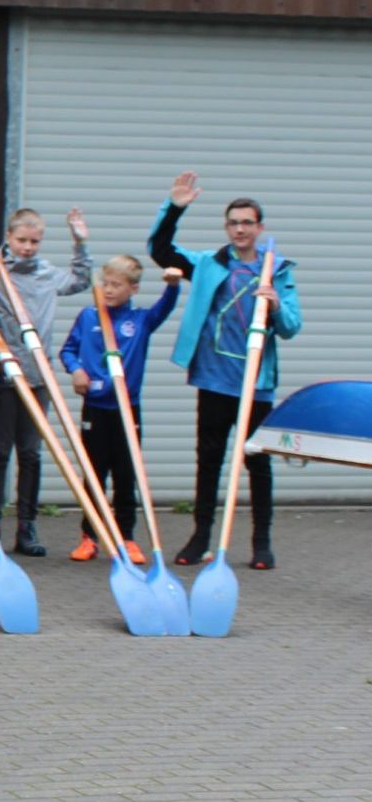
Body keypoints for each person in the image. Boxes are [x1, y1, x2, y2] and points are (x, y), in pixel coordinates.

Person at [149, 173, 300, 569]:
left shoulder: (277, 270)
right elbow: (160, 251)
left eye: (247, 222)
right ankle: (200, 537)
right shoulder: (209, 264)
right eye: (233, 222)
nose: (239, 229)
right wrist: (174, 208)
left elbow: (292, 327)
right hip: (214, 380)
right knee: (209, 460)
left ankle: (261, 543)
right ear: (226, 227)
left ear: (259, 227)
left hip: (255, 384)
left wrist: (276, 305)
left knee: (257, 463)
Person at [0, 206, 92, 557]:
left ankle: (27, 528)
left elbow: (81, 281)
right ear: (9, 238)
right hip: (5, 377)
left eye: (34, 241)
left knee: (30, 453)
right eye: (22, 240)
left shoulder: (46, 273)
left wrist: (79, 242)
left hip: (39, 377)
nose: (28, 247)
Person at [58, 255, 182, 564]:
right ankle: (90, 536)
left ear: (134, 289)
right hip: (95, 409)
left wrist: (173, 285)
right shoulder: (88, 317)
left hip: (127, 410)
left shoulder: (140, 320)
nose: (109, 290)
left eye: (117, 285)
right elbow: (68, 350)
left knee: (126, 475)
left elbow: (164, 307)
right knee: (94, 474)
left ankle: (127, 538)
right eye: (106, 283)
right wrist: (75, 370)